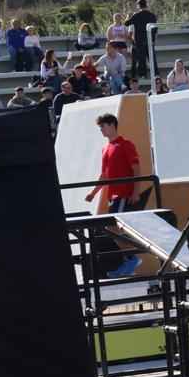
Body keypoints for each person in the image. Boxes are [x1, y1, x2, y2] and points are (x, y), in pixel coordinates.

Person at [83, 112, 144, 277]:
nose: (101, 130)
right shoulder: (105, 148)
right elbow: (104, 174)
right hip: (113, 195)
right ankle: (130, 258)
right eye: (100, 127)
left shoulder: (126, 144)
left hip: (123, 193)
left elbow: (136, 169)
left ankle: (132, 258)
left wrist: (135, 192)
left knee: (112, 227)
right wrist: (93, 193)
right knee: (113, 228)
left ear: (111, 125)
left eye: (103, 126)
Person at [126, 0, 157, 79]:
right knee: (152, 59)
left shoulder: (137, 15)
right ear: (146, 4)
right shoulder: (152, 15)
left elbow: (126, 23)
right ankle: (156, 75)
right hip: (150, 40)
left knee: (141, 59)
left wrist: (128, 16)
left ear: (138, 5)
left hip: (139, 41)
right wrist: (154, 39)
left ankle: (142, 75)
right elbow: (155, 29)